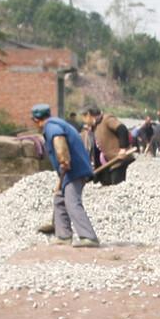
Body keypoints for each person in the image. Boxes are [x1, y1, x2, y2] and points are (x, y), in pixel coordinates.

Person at [32, 103, 100, 247]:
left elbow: (59, 140)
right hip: (71, 171)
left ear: (37, 120)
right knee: (59, 199)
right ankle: (63, 236)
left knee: (71, 201)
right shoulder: (58, 123)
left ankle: (89, 237)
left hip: (75, 170)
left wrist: (64, 160)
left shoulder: (51, 127)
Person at [82, 106, 131, 186]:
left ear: (89, 115)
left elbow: (122, 129)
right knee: (105, 185)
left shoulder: (107, 119)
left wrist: (123, 149)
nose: (84, 122)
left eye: (84, 118)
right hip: (104, 163)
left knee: (116, 187)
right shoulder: (94, 127)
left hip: (116, 160)